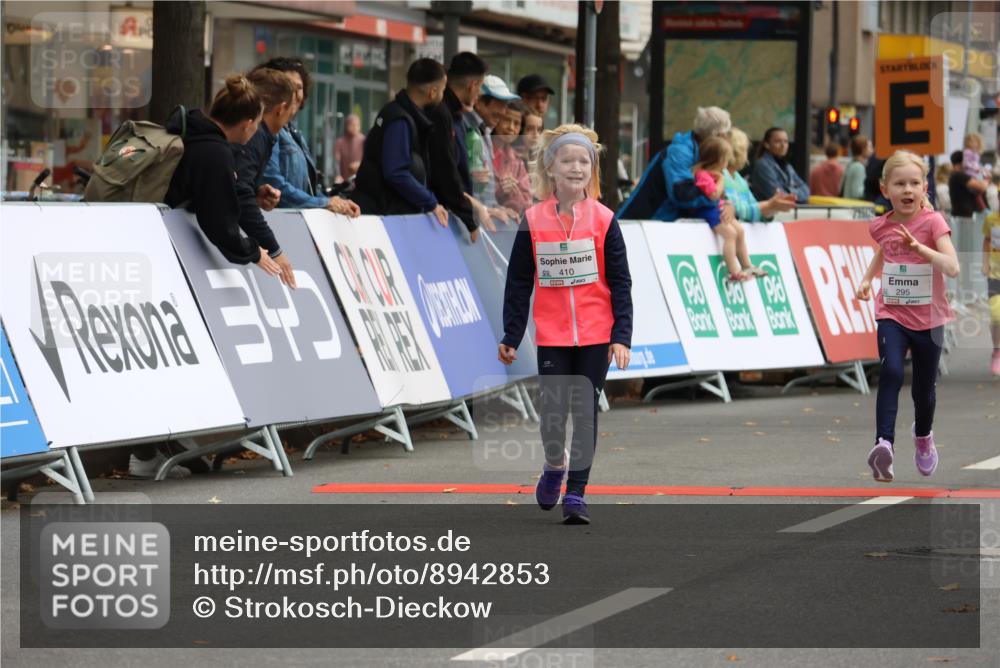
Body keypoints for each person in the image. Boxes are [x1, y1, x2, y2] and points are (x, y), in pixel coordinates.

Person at [144, 75, 281, 479]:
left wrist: (250, 197)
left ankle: (158, 443)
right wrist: (253, 251)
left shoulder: (200, 139)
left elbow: (205, 197)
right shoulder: (214, 153)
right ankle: (150, 446)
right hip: (163, 264)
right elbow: (218, 223)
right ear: (249, 122)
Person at [498, 124, 633, 525]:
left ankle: (576, 493)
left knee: (585, 410)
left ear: (591, 170)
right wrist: (511, 333)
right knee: (554, 413)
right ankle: (554, 465)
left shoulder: (605, 219)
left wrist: (621, 335)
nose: (576, 168)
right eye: (567, 160)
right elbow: (519, 281)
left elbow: (621, 282)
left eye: (583, 161)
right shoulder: (534, 219)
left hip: (596, 334)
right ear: (550, 168)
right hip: (553, 335)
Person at [855, 151, 960, 483]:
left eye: (914, 183)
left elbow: (953, 267)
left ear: (924, 186)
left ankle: (924, 437)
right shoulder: (880, 225)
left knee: (923, 392)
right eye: (899, 183)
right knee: (891, 372)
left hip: (930, 319)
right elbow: (886, 249)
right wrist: (867, 279)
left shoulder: (933, 223)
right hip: (892, 313)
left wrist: (920, 249)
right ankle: (883, 444)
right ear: (885, 189)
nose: (907, 189)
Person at [352, 58, 449, 227]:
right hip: (382, 216)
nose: (443, 96)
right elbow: (396, 172)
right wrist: (430, 201)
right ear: (433, 92)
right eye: (443, 90)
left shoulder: (397, 113)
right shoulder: (400, 120)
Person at [257, 57, 359, 216]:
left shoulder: (294, 132)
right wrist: (324, 203)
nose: (294, 94)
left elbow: (310, 189)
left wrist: (337, 203)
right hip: (281, 222)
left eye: (299, 87)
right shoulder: (268, 129)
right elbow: (274, 184)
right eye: (288, 86)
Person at [233, 67, 299, 289]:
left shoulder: (261, 135)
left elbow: (238, 184)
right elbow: (238, 193)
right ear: (280, 109)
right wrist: (274, 249)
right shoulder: (255, 136)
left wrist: (256, 191)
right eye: (291, 112)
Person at [618, 106, 736, 222]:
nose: (727, 138)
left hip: (660, 225)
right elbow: (682, 194)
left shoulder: (703, 152)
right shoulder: (680, 152)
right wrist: (715, 199)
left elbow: (713, 187)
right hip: (641, 224)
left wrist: (727, 204)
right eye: (726, 134)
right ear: (716, 135)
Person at [426, 51, 491, 241]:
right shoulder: (441, 113)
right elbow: (444, 170)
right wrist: (469, 216)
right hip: (440, 216)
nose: (478, 95)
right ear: (473, 86)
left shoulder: (456, 115)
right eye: (479, 89)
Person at [693, 137, 766, 281]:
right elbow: (714, 195)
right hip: (709, 211)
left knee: (739, 230)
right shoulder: (703, 174)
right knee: (731, 234)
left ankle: (746, 265)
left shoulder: (715, 174)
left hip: (718, 208)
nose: (727, 163)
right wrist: (720, 180)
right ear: (718, 159)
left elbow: (722, 196)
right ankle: (734, 271)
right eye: (726, 159)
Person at [466, 75, 520, 222]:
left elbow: (485, 189)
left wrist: (496, 207)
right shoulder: (466, 128)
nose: (503, 112)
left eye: (505, 106)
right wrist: (485, 208)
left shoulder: (485, 132)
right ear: (479, 102)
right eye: (500, 105)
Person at [722, 128, 796, 222]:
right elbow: (736, 211)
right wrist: (769, 205)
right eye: (745, 150)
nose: (747, 155)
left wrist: (772, 208)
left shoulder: (738, 179)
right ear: (737, 151)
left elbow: (752, 210)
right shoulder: (720, 176)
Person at [492, 100, 533, 215]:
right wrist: (499, 189)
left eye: (516, 123)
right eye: (506, 120)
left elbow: (528, 205)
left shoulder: (517, 160)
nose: (511, 127)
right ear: (497, 119)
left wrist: (515, 193)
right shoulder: (481, 148)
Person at [750, 127, 809, 203]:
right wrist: (793, 191)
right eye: (778, 141)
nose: (783, 145)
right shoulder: (763, 165)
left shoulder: (787, 166)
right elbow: (777, 196)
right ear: (767, 144)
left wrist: (788, 190)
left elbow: (806, 190)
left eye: (785, 141)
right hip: (769, 213)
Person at [983, 210, 1000, 376]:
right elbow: (986, 241)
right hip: (996, 274)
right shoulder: (991, 219)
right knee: (996, 315)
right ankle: (997, 352)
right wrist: (985, 263)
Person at [841, 135, 873, 200]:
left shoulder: (851, 164)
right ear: (863, 149)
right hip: (853, 207)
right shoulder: (859, 167)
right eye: (870, 147)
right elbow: (857, 193)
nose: (872, 149)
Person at [335, 114, 365, 182]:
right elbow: (336, 162)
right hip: (344, 179)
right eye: (352, 125)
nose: (355, 128)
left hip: (360, 179)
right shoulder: (340, 142)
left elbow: (370, 159)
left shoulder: (364, 141)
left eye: (357, 125)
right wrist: (337, 175)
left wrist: (359, 164)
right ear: (347, 126)